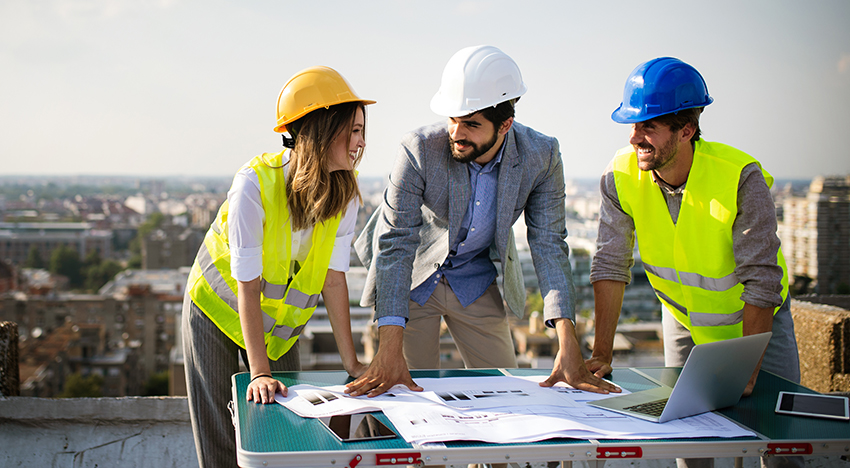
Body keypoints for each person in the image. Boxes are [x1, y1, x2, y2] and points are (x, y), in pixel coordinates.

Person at [348, 45, 620, 398]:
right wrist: (388, 346)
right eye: (452, 119)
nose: (456, 133)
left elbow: (549, 245)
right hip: (412, 276)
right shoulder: (418, 149)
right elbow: (396, 244)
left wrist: (567, 342)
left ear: (505, 124)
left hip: (475, 278)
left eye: (471, 124)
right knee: (411, 394)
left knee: (507, 392)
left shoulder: (542, 155)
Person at [587, 57, 801, 468]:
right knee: (687, 441)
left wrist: (749, 366)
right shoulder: (619, 176)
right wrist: (602, 353)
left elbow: (761, 281)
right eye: (632, 126)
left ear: (686, 130)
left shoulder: (739, 177)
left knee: (780, 447)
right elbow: (611, 265)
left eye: (648, 126)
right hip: (683, 318)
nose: (635, 139)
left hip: (758, 321)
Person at [182, 66, 374, 468]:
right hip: (215, 313)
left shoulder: (347, 196)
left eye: (361, 130)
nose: (361, 142)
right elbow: (246, 289)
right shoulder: (253, 185)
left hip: (278, 331)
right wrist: (258, 373)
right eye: (352, 130)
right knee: (220, 439)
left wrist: (352, 363)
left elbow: (333, 282)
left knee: (288, 434)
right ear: (321, 129)